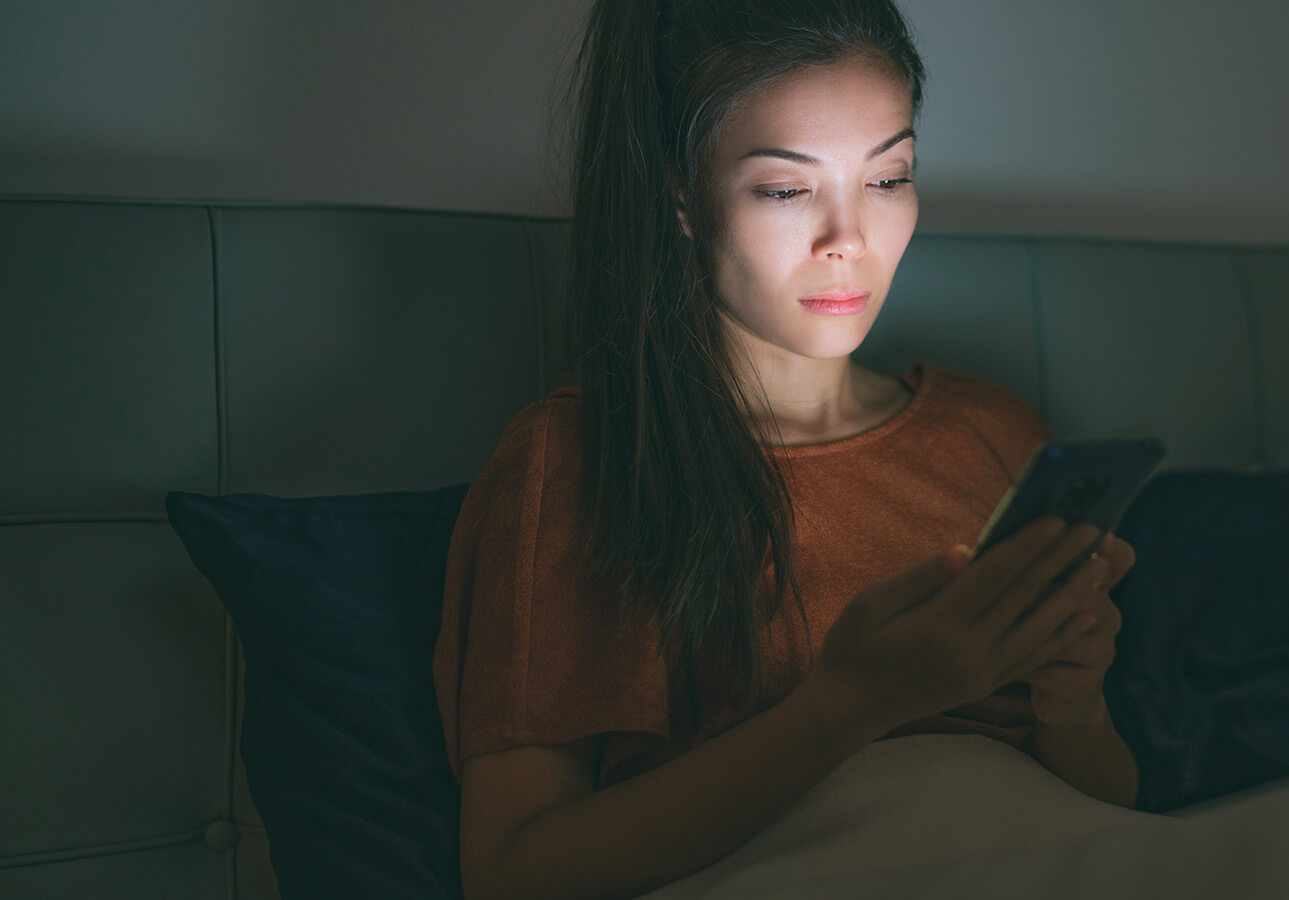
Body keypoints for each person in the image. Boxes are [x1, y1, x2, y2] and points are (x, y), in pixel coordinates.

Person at [431, 1, 1140, 897]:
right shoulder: (576, 465)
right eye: (785, 188)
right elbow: (513, 874)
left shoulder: (993, 434)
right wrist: (851, 705)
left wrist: (1074, 704)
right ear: (681, 194)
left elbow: (1113, 802)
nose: (850, 241)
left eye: (888, 179)